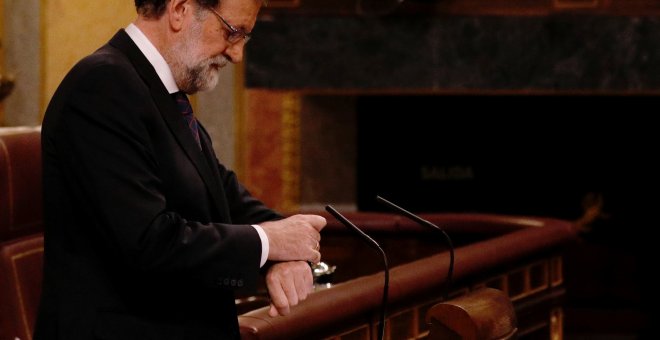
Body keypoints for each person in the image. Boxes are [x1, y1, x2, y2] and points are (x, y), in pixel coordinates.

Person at [34, 0, 326, 339]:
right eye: (233, 32)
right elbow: (148, 241)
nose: (237, 54)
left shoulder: (158, 90)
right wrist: (269, 242)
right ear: (180, 10)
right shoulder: (102, 85)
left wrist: (287, 248)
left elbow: (224, 196)